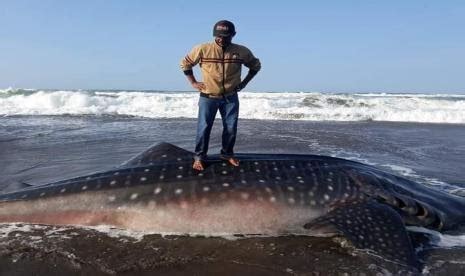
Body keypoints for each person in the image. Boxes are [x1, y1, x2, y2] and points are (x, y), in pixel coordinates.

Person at [181, 20, 261, 171]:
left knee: (231, 128)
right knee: (204, 128)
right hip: (208, 97)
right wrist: (193, 83)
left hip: (230, 97)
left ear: (233, 35)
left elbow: (255, 65)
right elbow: (185, 64)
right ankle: (199, 157)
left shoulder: (241, 51)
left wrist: (244, 83)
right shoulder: (203, 49)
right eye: (218, 36)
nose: (221, 39)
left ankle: (227, 154)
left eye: (225, 36)